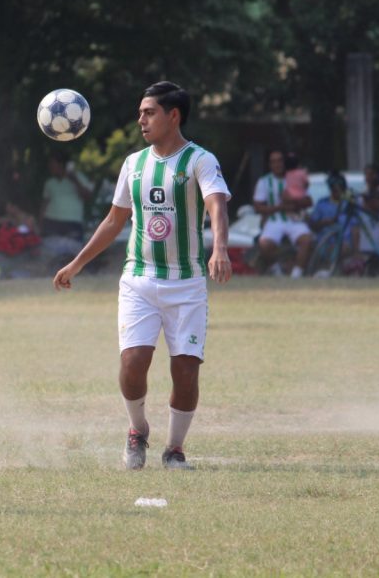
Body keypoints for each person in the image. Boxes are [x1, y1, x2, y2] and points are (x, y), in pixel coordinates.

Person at [53, 81, 232, 471]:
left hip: (186, 284)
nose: (141, 120)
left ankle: (175, 449)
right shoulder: (134, 164)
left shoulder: (200, 160)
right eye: (139, 113)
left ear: (173, 115)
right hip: (138, 279)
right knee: (133, 362)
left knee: (185, 369)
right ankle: (137, 430)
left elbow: (216, 204)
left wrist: (219, 247)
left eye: (149, 112)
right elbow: (115, 220)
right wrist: (77, 263)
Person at [252, 149, 313, 278]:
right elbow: (258, 207)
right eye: (273, 162)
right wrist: (280, 207)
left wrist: (295, 204)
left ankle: (296, 275)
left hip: (294, 220)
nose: (277, 164)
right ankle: (277, 272)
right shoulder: (264, 181)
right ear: (269, 165)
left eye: (280, 160)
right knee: (264, 244)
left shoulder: (295, 177)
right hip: (275, 220)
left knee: (307, 240)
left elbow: (309, 201)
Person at [40, 152, 92, 241]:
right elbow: (45, 204)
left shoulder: (79, 177)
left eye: (52, 163)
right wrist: (40, 223)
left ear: (61, 164)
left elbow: (87, 196)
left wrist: (74, 180)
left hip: (72, 222)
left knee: (73, 251)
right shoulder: (49, 182)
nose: (50, 166)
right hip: (51, 221)